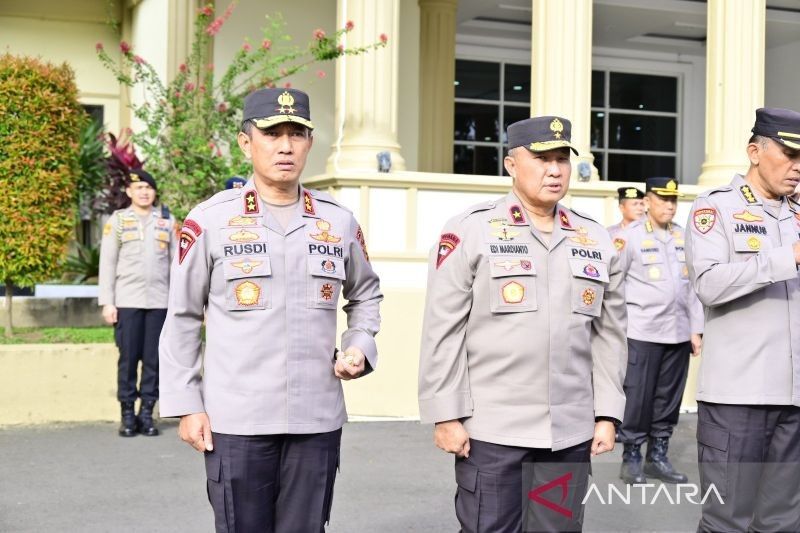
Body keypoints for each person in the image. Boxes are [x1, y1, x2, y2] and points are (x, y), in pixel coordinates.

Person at [159, 87, 382, 532]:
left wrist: (359, 345)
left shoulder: (337, 221)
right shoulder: (211, 220)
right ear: (246, 143)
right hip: (237, 420)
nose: (285, 146)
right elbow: (183, 316)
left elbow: (366, 295)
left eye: (296, 134)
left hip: (315, 418)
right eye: (272, 134)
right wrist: (187, 404)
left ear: (309, 143)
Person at [418, 116, 627, 532]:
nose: (554, 170)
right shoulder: (471, 230)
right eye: (541, 159)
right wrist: (445, 415)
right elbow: (443, 329)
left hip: (568, 433)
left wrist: (607, 413)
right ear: (511, 164)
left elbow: (609, 336)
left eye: (562, 159)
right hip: (493, 431)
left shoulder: (594, 238)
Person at [686, 107, 800, 532]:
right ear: (755, 151)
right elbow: (709, 285)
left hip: (793, 397)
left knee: (783, 521)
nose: (797, 167)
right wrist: (786, 257)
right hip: (739, 397)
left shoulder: (797, 212)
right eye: (789, 155)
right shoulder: (716, 209)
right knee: (727, 520)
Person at [615, 177, 703, 485]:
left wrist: (696, 329)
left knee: (669, 398)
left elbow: (692, 287)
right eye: (663, 199)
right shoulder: (630, 237)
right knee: (638, 397)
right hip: (642, 331)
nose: (669, 205)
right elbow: (615, 285)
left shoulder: (683, 236)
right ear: (648, 201)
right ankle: (632, 457)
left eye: (673, 200)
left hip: (677, 333)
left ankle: (658, 457)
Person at [98, 168, 177, 437]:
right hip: (127, 302)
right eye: (138, 188)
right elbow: (107, 263)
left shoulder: (167, 220)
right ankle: (128, 415)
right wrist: (108, 302)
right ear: (130, 192)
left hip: (160, 302)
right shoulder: (118, 220)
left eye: (148, 187)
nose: (144, 192)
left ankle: (147, 415)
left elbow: (177, 265)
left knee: (155, 361)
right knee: (128, 360)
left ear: (154, 192)